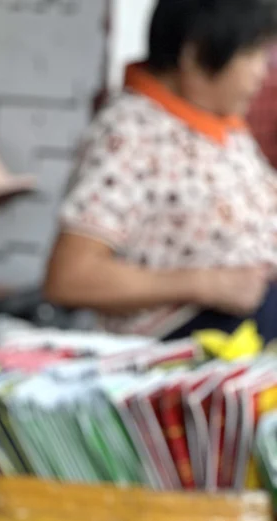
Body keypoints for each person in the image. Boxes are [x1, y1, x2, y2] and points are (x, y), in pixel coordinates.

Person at [44, 0, 277, 339]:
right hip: (189, 349)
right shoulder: (130, 133)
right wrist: (206, 284)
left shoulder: (221, 120)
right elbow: (70, 277)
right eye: (251, 55)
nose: (263, 72)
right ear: (195, 54)